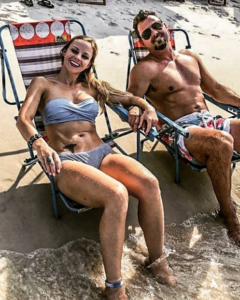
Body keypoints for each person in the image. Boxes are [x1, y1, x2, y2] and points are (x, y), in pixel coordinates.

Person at [16, 35, 177, 300]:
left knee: (150, 183)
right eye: (74, 51)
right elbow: (24, 118)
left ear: (89, 63)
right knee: (117, 194)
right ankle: (114, 288)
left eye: (84, 56)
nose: (77, 58)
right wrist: (40, 144)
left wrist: (146, 108)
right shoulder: (43, 84)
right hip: (66, 161)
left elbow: (131, 99)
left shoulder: (94, 88)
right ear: (64, 51)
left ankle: (157, 260)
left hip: (102, 153)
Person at [127, 9, 240, 246]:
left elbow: (217, 90)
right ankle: (229, 217)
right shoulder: (144, 69)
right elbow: (130, 100)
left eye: (156, 26)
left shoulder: (190, 57)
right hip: (180, 131)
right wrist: (140, 108)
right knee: (221, 142)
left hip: (211, 122)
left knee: (222, 136)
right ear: (142, 42)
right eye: (146, 33)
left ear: (165, 26)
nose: (154, 34)